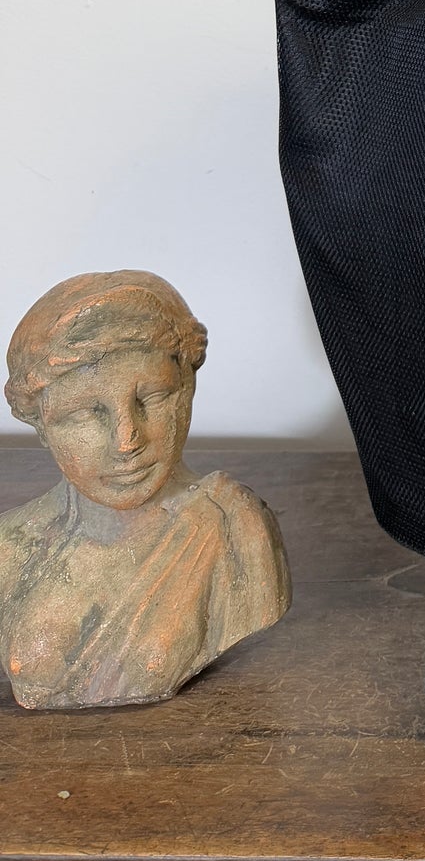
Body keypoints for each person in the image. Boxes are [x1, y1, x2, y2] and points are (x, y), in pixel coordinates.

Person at [0, 271, 289, 709]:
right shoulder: (11, 547)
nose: (126, 440)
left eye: (151, 398)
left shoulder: (231, 527)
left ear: (186, 389)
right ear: (40, 423)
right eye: (85, 414)